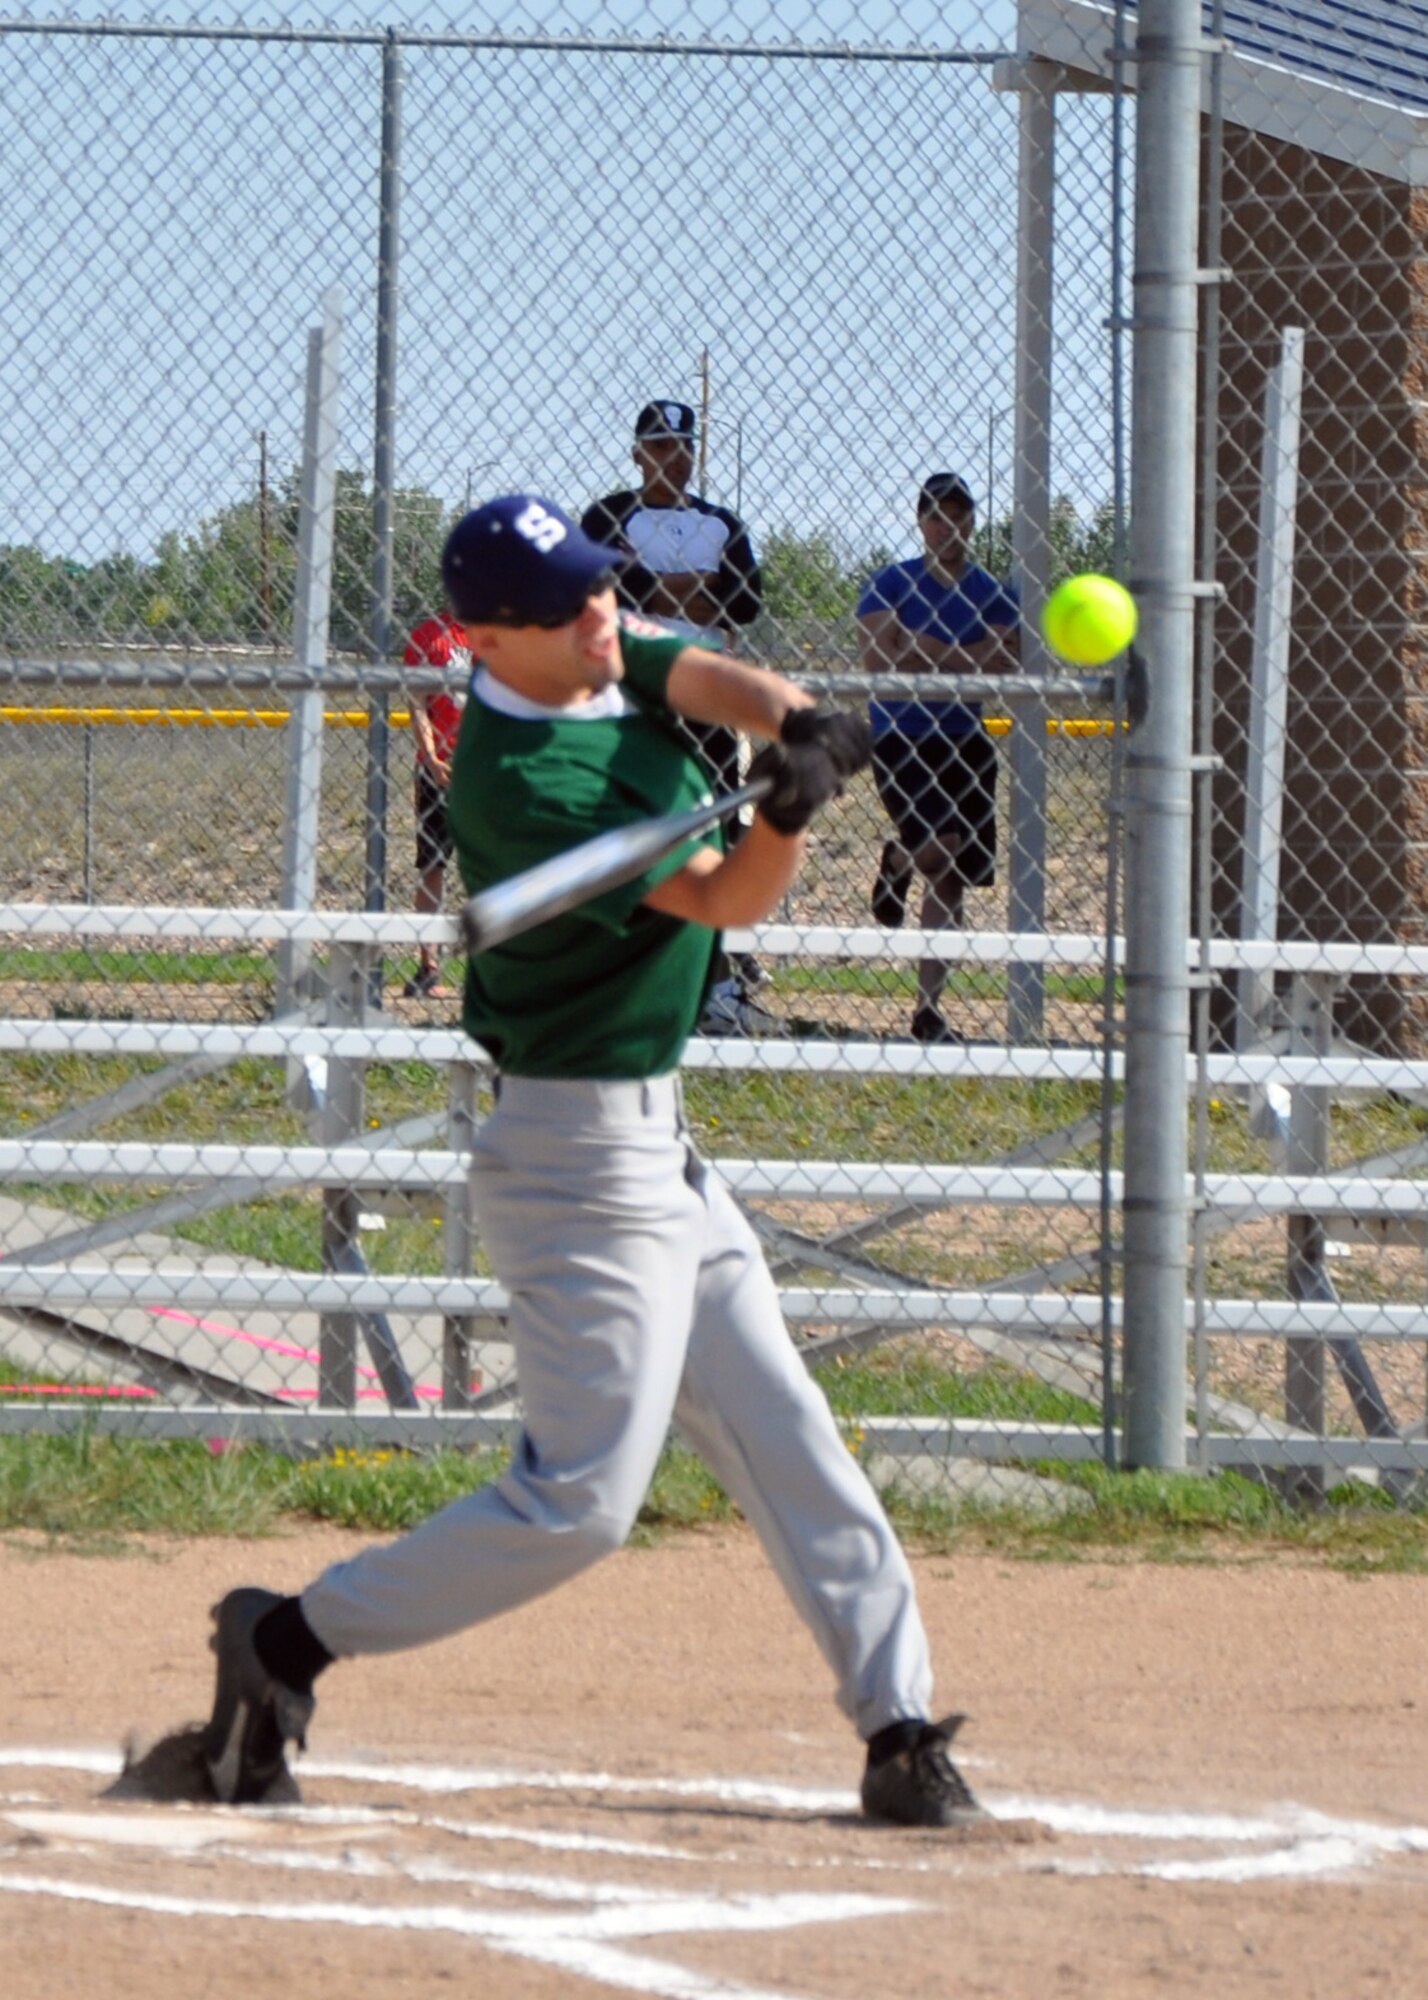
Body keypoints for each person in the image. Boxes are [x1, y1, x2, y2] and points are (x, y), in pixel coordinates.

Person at [199, 492, 981, 1833]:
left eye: (601, 589)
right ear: (492, 642)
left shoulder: (600, 651)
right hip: (573, 1162)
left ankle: (898, 1730)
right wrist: (784, 820)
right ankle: (286, 1642)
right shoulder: (529, 793)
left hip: (658, 1144)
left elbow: (700, 666)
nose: (602, 614)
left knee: (791, 1437)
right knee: (579, 1506)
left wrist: (789, 724)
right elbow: (731, 899)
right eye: (567, 607)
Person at [582, 400, 769, 1033]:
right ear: (638, 452)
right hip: (638, 693)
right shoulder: (611, 515)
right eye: (660, 445)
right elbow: (607, 591)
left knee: (712, 836)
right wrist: (693, 588)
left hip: (707, 698)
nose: (674, 456)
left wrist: (661, 588)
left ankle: (714, 986)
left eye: (684, 445)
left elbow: (743, 603)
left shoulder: (721, 521)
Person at [857, 473, 1020, 1044]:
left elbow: (1005, 664)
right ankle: (901, 859)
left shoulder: (993, 592)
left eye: (958, 514)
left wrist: (926, 649)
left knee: (951, 875)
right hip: (902, 736)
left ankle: (928, 1009)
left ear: (972, 520)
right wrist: (963, 658)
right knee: (942, 845)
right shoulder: (891, 583)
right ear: (920, 521)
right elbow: (880, 661)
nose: (948, 526)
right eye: (936, 515)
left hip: (965, 737)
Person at [400, 605, 475, 999]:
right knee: (432, 865)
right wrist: (431, 758)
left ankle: (491, 969)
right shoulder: (429, 636)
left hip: (482, 767)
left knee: (490, 868)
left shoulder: (499, 633)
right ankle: (428, 966)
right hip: (440, 770)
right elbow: (417, 703)